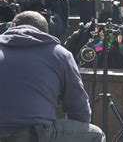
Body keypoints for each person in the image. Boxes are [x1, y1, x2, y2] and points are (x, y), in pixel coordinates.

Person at [0, 11, 105, 142]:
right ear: (45, 32)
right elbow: (79, 109)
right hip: (31, 135)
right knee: (95, 134)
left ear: (12, 26)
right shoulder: (60, 54)